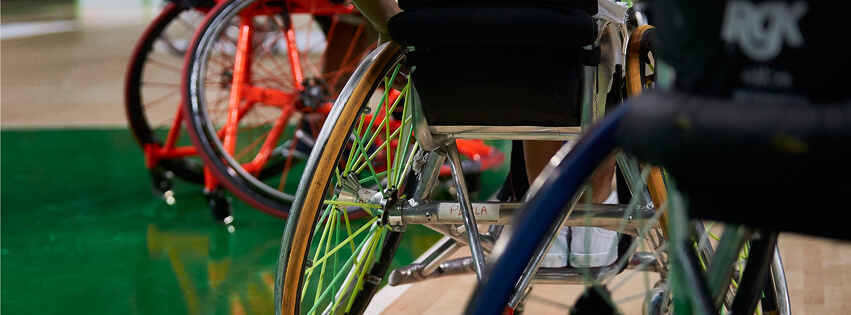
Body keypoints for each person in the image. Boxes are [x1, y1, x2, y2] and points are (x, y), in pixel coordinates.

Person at [349, 0, 619, 268]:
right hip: (558, 40)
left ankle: (543, 208)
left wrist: (385, 19)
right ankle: (597, 203)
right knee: (594, 32)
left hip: (446, 56)